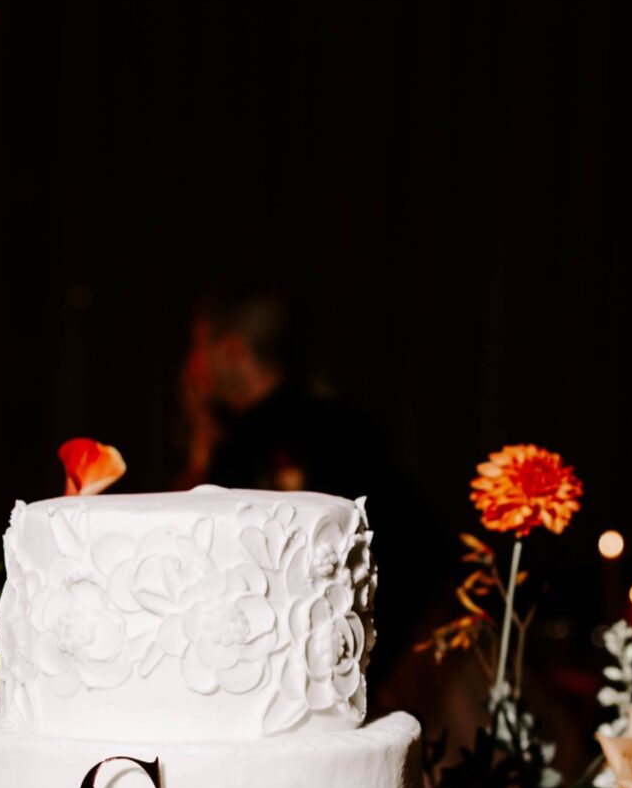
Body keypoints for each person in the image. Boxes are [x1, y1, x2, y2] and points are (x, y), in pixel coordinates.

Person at [176, 284, 450, 704]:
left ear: (232, 351)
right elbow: (423, 543)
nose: (194, 366)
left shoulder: (243, 445)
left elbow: (197, 559)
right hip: (364, 659)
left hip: (294, 683)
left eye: (199, 348)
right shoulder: (347, 420)